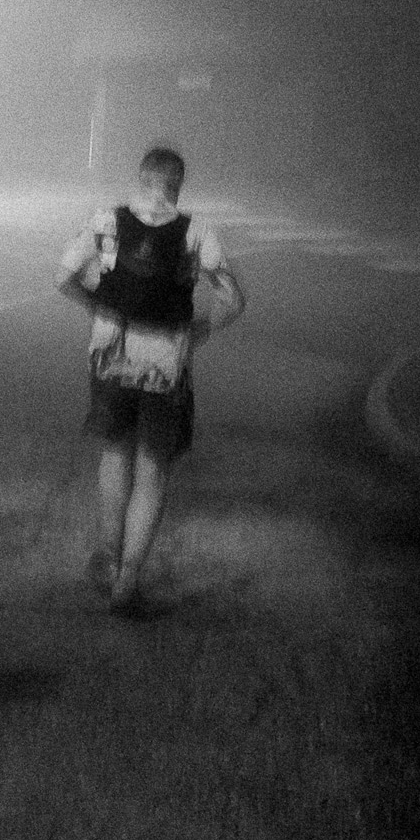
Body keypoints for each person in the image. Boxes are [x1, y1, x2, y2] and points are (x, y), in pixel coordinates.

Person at [57, 142, 245, 616]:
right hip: (166, 364)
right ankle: (129, 581)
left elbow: (63, 277)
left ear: (141, 179)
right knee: (154, 470)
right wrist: (202, 330)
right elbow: (234, 299)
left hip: (109, 357)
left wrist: (98, 307)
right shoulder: (197, 232)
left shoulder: (106, 220)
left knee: (115, 453)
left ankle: (107, 554)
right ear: (178, 186)